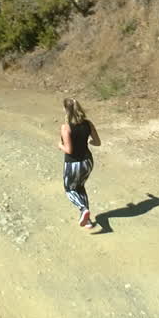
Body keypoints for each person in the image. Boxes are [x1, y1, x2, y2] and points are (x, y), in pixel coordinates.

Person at [59, 98, 101, 229]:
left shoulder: (66, 127)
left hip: (73, 164)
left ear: (65, 110)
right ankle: (87, 220)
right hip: (87, 162)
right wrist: (89, 142)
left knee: (70, 189)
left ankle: (83, 209)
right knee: (80, 187)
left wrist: (59, 145)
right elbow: (97, 142)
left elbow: (69, 150)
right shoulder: (88, 124)